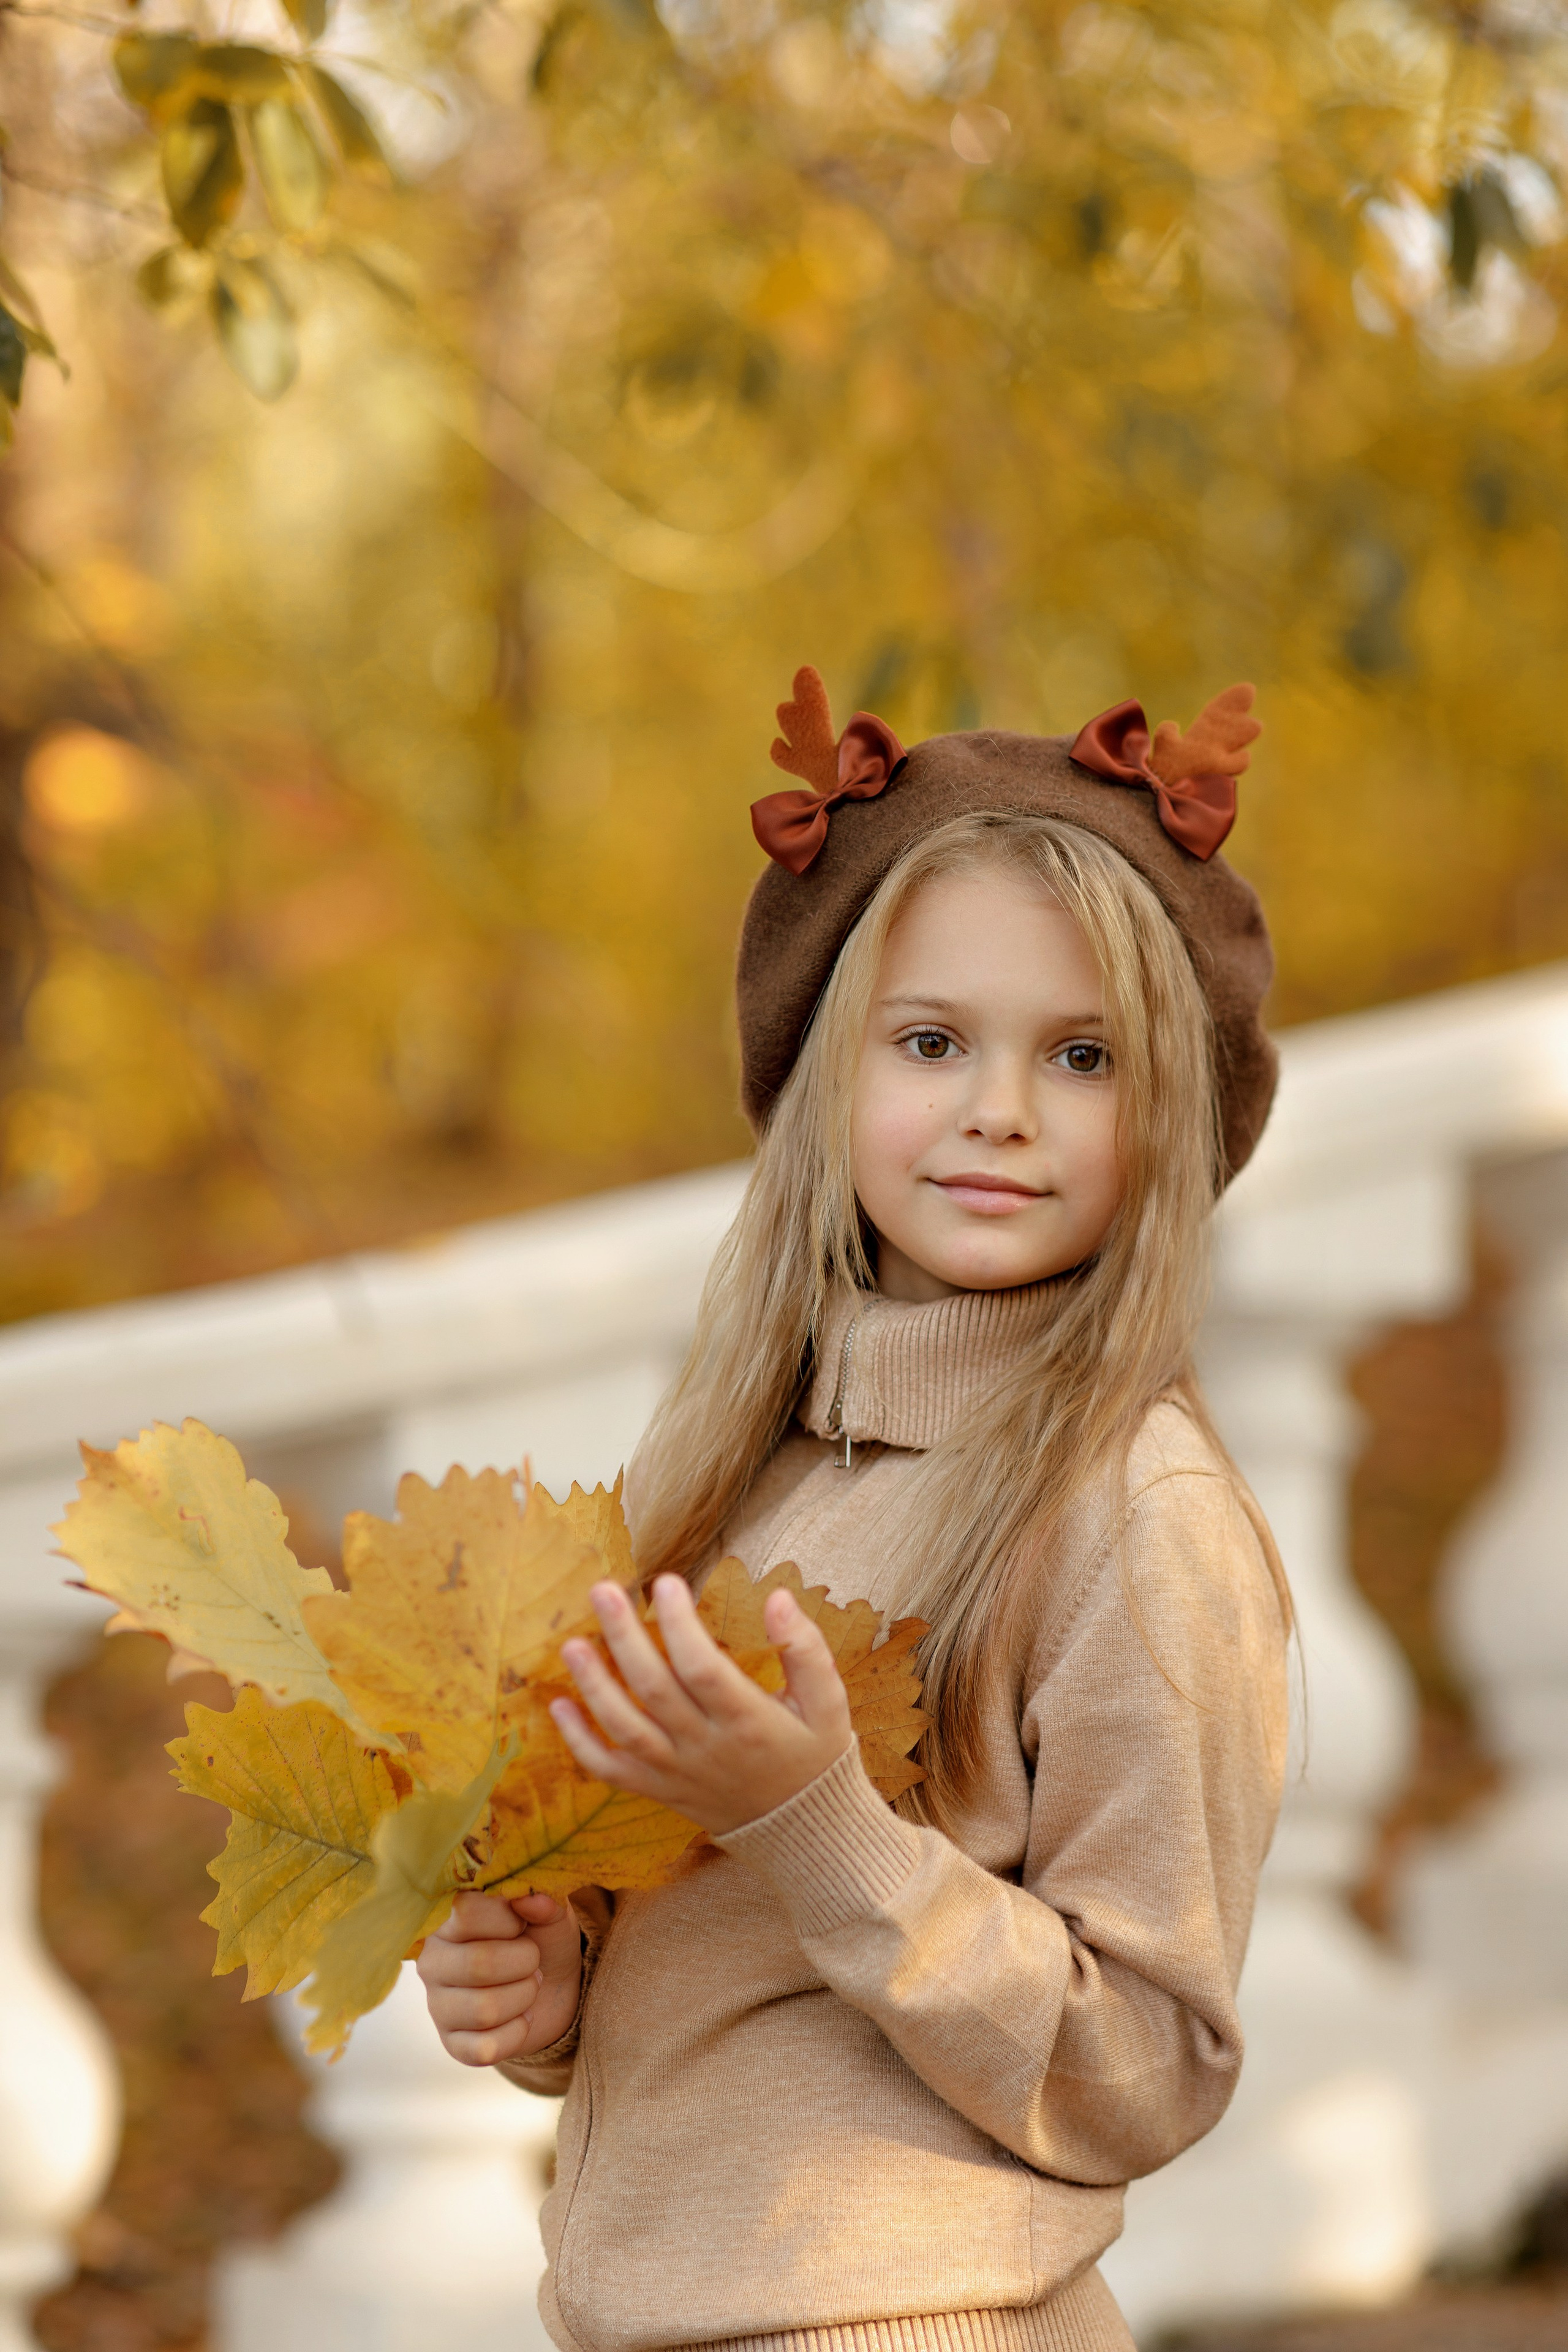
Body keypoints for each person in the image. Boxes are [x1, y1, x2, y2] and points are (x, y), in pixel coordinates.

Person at [418, 666, 1292, 2352]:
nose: (999, 1110)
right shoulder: (741, 1468)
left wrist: (818, 1822)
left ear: (1171, 1108)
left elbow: (1147, 2066)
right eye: (932, 1041)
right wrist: (553, 1986)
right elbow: (727, 1980)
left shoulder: (1132, 1516)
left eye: (1084, 1056)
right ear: (830, 1070)